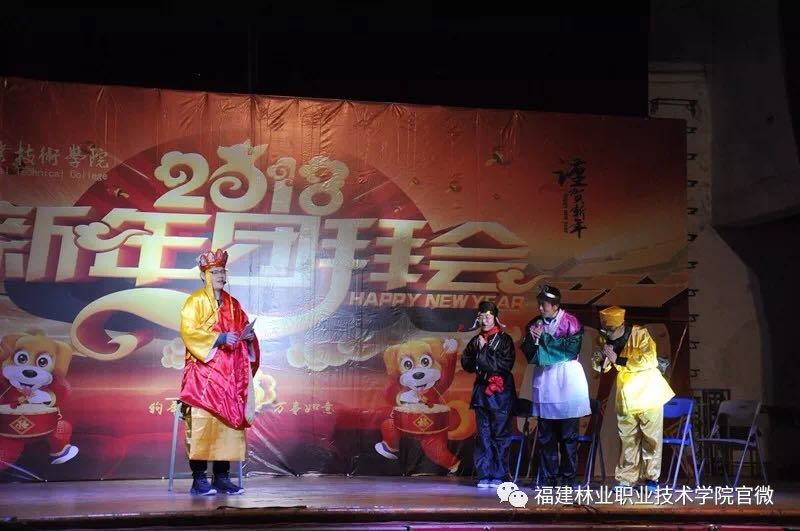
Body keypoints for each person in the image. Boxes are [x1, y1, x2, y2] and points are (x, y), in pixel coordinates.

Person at [179, 249, 259, 496]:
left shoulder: (234, 304)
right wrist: (221, 338)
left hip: (229, 375)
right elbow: (189, 332)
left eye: (223, 271)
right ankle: (199, 479)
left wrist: (248, 338)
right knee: (202, 425)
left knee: (227, 427)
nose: (220, 276)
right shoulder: (195, 302)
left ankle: (222, 477)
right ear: (205, 275)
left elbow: (244, 330)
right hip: (202, 376)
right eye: (215, 272)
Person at [592, 306, 674, 492]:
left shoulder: (640, 334)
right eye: (605, 330)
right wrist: (603, 361)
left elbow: (649, 360)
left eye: (611, 329)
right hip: (627, 394)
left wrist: (618, 360)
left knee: (651, 438)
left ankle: (651, 478)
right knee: (627, 438)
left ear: (621, 325)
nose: (608, 333)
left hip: (648, 392)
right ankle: (626, 479)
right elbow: (598, 364)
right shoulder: (604, 339)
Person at [521, 285, 591, 487]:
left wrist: (543, 338)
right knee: (546, 435)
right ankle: (548, 477)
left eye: (543, 304)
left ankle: (568, 478)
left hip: (567, 380)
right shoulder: (535, 323)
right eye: (539, 304)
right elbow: (529, 352)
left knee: (568, 435)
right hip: (545, 380)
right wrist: (532, 340)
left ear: (555, 305)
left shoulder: (571, 322)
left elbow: (570, 350)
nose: (540, 308)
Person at [461, 300, 516, 488]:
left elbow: (502, 366)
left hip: (500, 394)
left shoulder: (505, 340)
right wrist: (479, 357)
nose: (484, 320)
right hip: (482, 394)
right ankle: (484, 474)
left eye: (488, 316)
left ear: (495, 318)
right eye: (481, 316)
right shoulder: (475, 340)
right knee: (483, 434)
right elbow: (466, 363)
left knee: (500, 434)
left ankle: (499, 475)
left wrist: (484, 351)